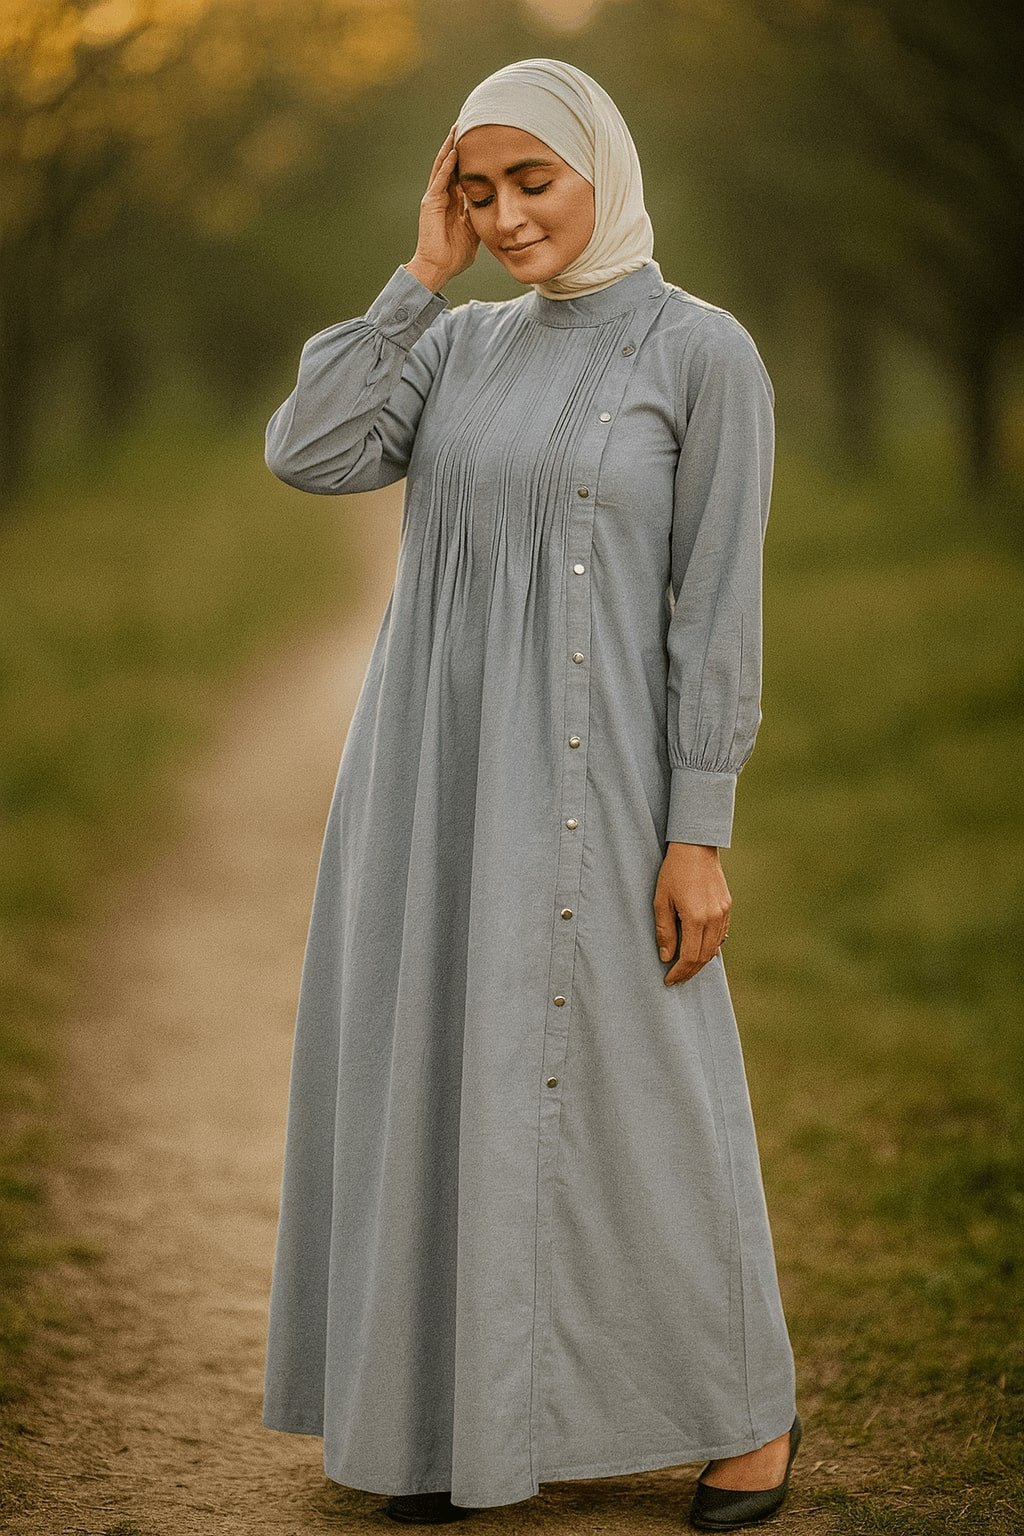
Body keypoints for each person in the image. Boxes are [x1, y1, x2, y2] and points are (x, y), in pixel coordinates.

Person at [261, 57, 800, 1534]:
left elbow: (717, 607)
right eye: (477, 188)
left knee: (653, 1094)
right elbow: (307, 451)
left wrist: (700, 828)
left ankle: (750, 1412)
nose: (505, 215)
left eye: (531, 182)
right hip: (430, 784)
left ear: (601, 170)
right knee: (440, 1072)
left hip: (604, 785)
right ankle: (449, 1424)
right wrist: (417, 277)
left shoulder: (703, 354)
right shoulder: (459, 345)